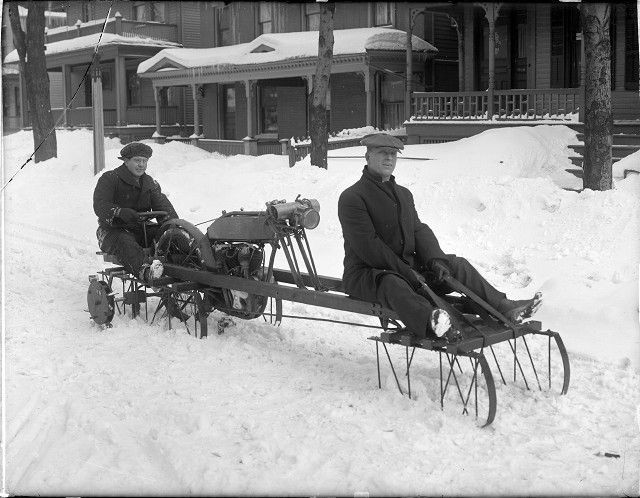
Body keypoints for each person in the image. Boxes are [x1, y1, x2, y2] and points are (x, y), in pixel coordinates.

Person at [337, 133, 541, 340]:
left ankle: (505, 308)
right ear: (368, 156)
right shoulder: (353, 197)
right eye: (382, 153)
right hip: (369, 274)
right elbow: (369, 247)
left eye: (393, 154)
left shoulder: (404, 194)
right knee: (392, 283)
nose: (389, 158)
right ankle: (433, 322)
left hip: (408, 271)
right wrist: (408, 273)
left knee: (457, 265)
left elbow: (418, 230)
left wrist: (436, 260)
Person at [93, 142, 178, 285]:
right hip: (112, 231)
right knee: (125, 241)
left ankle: (190, 266)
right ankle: (146, 272)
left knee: (171, 235)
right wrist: (120, 212)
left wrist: (172, 226)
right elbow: (100, 205)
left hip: (141, 230)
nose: (141, 165)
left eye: (144, 161)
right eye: (137, 160)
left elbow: (163, 207)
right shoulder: (110, 178)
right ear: (125, 161)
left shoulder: (149, 182)